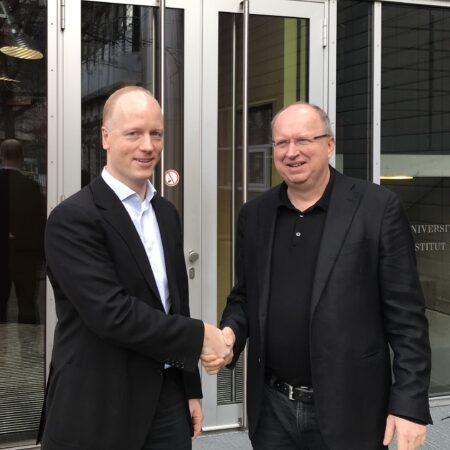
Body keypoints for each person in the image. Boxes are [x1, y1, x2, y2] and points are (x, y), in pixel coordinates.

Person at [202, 102, 432, 450]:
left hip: (351, 409)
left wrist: (409, 404)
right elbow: (246, 295)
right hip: (273, 408)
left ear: (329, 144)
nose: (291, 152)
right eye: (282, 143)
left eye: (303, 140)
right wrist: (231, 332)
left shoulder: (377, 208)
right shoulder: (255, 214)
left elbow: (407, 318)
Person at [37, 86, 232, 450]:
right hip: (99, 403)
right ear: (105, 138)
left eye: (156, 133)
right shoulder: (73, 218)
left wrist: (190, 389)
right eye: (133, 133)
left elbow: (176, 304)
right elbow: (112, 314)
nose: (148, 146)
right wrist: (201, 336)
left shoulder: (166, 213)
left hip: (167, 400)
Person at [0, 138, 45, 325]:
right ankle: (29, 342)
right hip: (26, 256)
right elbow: (39, 223)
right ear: (21, 157)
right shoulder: (31, 187)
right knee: (27, 306)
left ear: (1, 156)